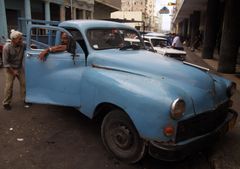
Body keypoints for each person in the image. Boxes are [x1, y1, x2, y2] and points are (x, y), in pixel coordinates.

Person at [2, 30, 28, 110]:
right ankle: (6, 103)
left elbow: (31, 47)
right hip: (9, 69)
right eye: (19, 39)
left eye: (21, 38)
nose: (21, 40)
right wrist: (13, 71)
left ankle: (25, 99)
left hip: (19, 67)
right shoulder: (6, 47)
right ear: (13, 39)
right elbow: (5, 63)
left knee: (24, 83)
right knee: (9, 86)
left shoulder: (23, 45)